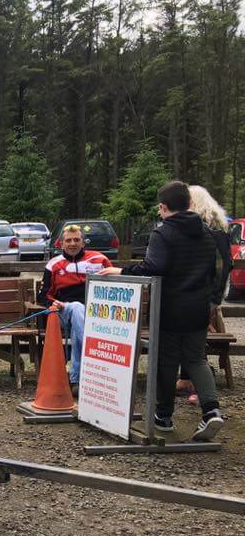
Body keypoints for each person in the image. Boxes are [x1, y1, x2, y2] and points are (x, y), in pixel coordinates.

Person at [99, 180, 223, 441]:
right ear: (189, 204)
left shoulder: (163, 233)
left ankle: (163, 415)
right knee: (196, 359)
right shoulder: (206, 232)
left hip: (169, 308)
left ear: (163, 206)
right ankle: (212, 411)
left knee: (166, 361)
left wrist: (120, 271)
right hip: (198, 308)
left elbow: (154, 267)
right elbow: (213, 272)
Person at [37, 224, 113, 394]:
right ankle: (82, 377)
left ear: (83, 242)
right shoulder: (54, 264)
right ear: (61, 243)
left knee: (81, 322)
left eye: (76, 240)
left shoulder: (100, 259)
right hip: (65, 310)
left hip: (97, 312)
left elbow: (114, 287)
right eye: (69, 240)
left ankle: (76, 379)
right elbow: (42, 296)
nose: (73, 244)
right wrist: (52, 304)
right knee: (78, 309)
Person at [176, 185, 233, 403]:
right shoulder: (207, 228)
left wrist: (213, 299)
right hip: (199, 295)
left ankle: (203, 392)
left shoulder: (212, 230)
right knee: (188, 339)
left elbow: (222, 266)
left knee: (195, 344)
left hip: (205, 296)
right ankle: (186, 379)